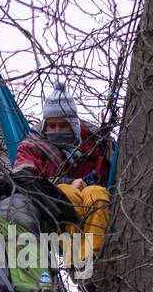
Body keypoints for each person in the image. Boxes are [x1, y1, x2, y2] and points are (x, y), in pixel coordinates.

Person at [13, 81, 112, 268]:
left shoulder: (95, 141)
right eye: (52, 126)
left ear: (73, 125)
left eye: (62, 125)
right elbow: (24, 179)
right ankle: (73, 257)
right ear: (45, 125)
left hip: (93, 197)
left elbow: (114, 166)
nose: (56, 131)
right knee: (68, 193)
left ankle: (89, 258)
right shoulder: (32, 146)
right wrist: (65, 182)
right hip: (54, 208)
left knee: (97, 194)